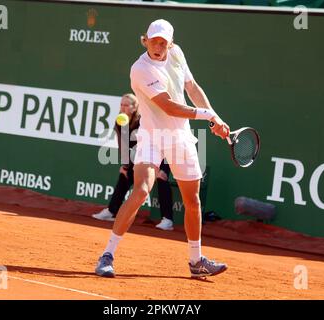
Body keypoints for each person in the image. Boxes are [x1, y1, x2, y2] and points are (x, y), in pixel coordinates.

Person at [95, 19, 230, 278]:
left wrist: (216, 117)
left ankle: (196, 260)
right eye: (153, 40)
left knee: (193, 200)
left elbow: (192, 87)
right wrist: (207, 117)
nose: (157, 46)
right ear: (145, 39)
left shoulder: (177, 55)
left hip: (181, 137)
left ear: (171, 43)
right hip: (152, 136)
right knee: (141, 191)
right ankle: (107, 255)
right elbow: (169, 107)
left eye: (163, 42)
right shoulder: (140, 69)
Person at [92, 93, 175, 231]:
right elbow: (124, 146)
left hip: (160, 156)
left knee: (161, 178)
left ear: (135, 107)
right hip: (141, 159)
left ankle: (167, 220)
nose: (123, 108)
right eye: (121, 104)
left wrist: (164, 169)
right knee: (125, 174)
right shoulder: (120, 122)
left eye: (126, 105)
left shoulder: (144, 121)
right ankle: (111, 211)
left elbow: (161, 143)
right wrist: (125, 166)